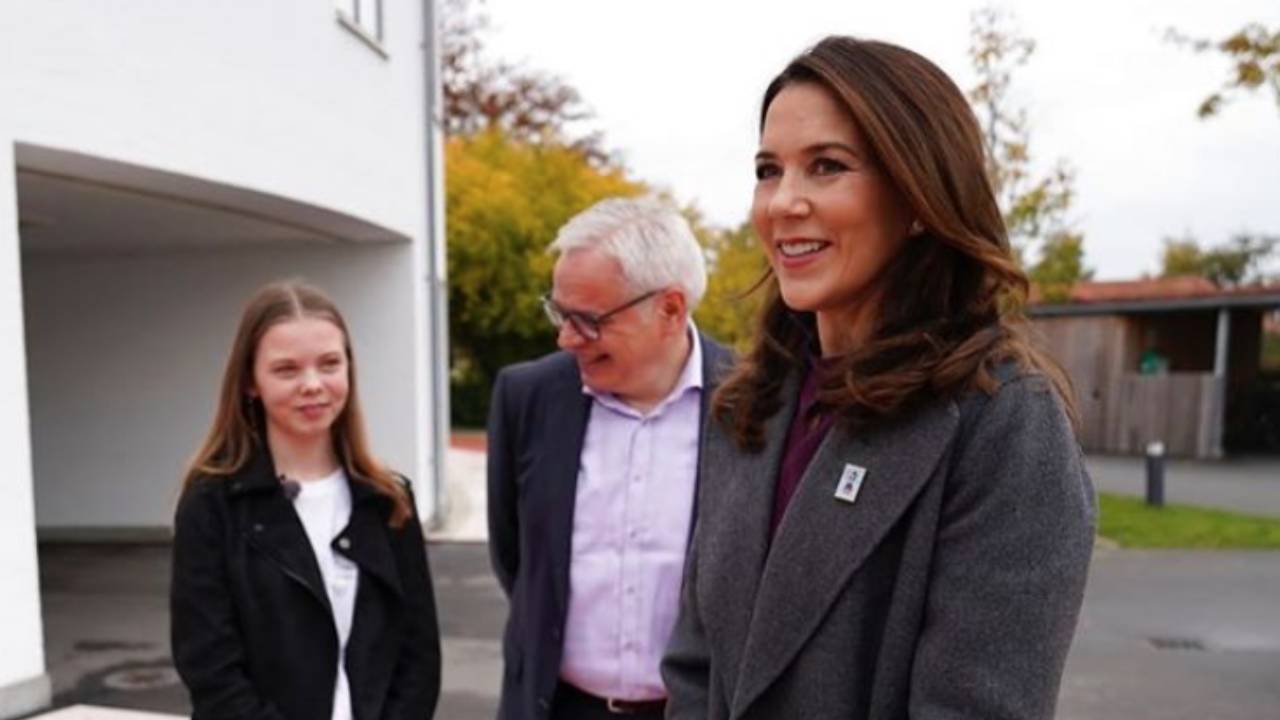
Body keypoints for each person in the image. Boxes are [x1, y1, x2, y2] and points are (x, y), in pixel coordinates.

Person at [662, 37, 1096, 719]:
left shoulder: (1005, 423)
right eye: (768, 170)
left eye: (827, 166)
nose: (783, 203)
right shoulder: (749, 404)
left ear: (921, 195)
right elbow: (694, 667)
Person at [487, 197, 734, 720]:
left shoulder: (760, 403)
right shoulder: (526, 397)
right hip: (555, 707)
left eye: (587, 320)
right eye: (559, 311)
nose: (565, 337)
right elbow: (517, 557)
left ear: (670, 308)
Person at [171, 280, 441, 720]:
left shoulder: (388, 499)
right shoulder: (211, 503)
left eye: (329, 364)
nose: (313, 384)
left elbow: (418, 656)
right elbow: (210, 668)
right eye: (287, 369)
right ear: (249, 382)